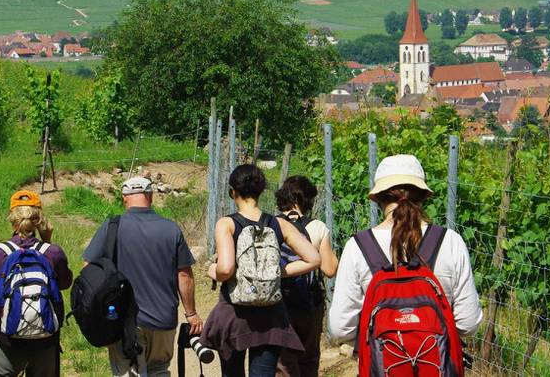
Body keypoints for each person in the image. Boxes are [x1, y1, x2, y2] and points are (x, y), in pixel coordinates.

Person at [328, 154, 482, 346]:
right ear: (423, 196)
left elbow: (340, 328)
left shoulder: (358, 246)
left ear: (378, 199)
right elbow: (468, 323)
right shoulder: (451, 242)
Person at [202, 164, 321, 377]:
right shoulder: (278, 223)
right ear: (261, 191)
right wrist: (277, 271)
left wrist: (212, 269)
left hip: (234, 314)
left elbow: (226, 268)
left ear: (233, 192)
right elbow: (313, 259)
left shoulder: (227, 224)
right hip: (271, 317)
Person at [82, 176, 201, 377]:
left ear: (124, 198)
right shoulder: (171, 228)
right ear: (151, 197)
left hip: (125, 320)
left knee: (129, 372)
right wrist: (191, 313)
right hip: (164, 319)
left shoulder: (113, 226)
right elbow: (184, 275)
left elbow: (88, 268)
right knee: (159, 370)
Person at [0, 189, 74, 377]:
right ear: (40, 219)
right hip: (46, 341)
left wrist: (2, 323)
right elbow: (65, 283)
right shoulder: (53, 253)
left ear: (11, 218)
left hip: (6, 343)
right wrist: (47, 242)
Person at [273, 176, 338, 377]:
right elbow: (329, 269)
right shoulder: (317, 227)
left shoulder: (270, 223)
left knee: (282, 362)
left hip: (277, 303)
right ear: (307, 200)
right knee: (309, 358)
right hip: (310, 304)